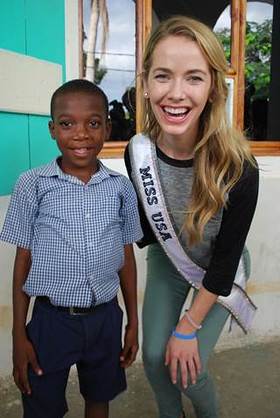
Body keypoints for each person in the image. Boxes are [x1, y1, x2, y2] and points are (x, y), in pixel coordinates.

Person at [125, 16, 259, 418]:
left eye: (194, 78)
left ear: (214, 87)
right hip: (170, 262)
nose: (176, 93)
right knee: (152, 357)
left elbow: (223, 264)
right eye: (163, 76)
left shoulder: (240, 168)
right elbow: (149, 235)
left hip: (221, 271)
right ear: (146, 83)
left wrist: (187, 328)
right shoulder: (139, 153)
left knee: (186, 368)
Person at [0, 79, 143, 418]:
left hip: (106, 318)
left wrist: (133, 320)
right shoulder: (32, 184)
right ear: (52, 129)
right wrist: (18, 335)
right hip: (51, 321)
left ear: (107, 128)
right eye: (67, 124)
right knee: (42, 405)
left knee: (99, 398)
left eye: (93, 123)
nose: (81, 134)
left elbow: (126, 256)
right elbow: (23, 260)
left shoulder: (121, 188)